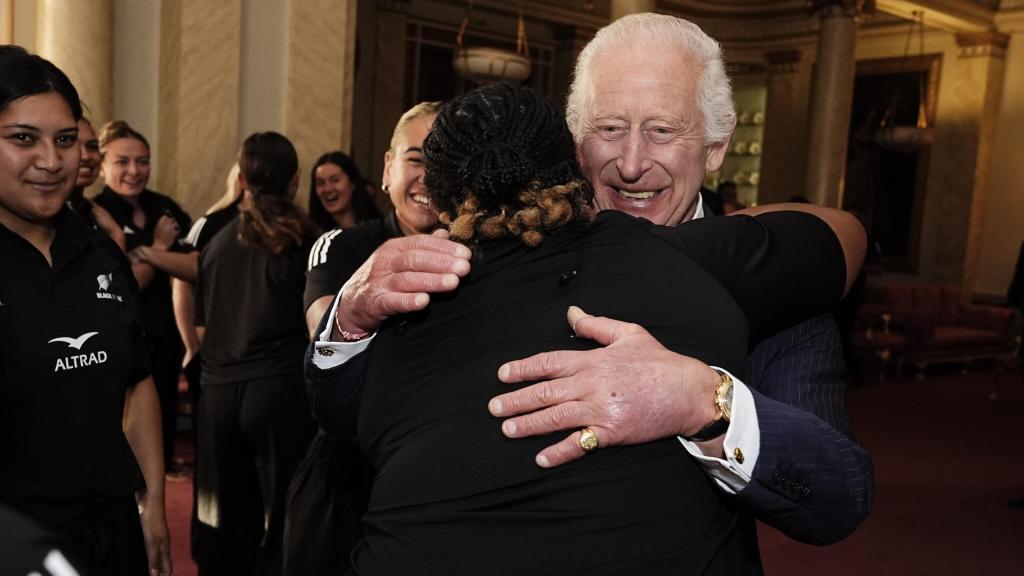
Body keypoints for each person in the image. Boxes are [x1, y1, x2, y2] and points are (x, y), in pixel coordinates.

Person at [309, 13, 873, 566]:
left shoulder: (777, 287)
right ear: (574, 143)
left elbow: (838, 496)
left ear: (718, 146)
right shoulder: (477, 264)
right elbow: (349, 417)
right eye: (609, 129)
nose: (631, 164)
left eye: (663, 130)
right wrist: (348, 317)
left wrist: (707, 403)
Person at [0, 44, 170, 576]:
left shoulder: (99, 251)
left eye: (66, 139)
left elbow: (137, 384)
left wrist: (155, 504)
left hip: (110, 528)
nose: (52, 162)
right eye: (22, 139)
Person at [283, 101, 441, 576]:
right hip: (347, 474)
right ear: (388, 167)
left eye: (446, 160)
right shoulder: (342, 247)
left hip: (438, 481)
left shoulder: (487, 258)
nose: (429, 176)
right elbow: (327, 345)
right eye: (416, 159)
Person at [194, 131, 318, 575]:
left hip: (218, 396)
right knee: (285, 515)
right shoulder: (305, 239)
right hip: (278, 389)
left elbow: (206, 320)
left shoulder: (217, 245)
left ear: (242, 178)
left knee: (224, 516)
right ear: (296, 180)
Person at [93, 120, 196, 477]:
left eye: (142, 161)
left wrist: (145, 255)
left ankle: (162, 467)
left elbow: (197, 265)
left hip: (163, 330)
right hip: (118, 334)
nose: (134, 171)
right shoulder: (96, 214)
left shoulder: (164, 208)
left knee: (164, 403)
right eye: (122, 162)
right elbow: (122, 286)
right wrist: (162, 249)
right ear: (102, 164)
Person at [66, 116, 125, 250]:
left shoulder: (88, 209)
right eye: (70, 143)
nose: (86, 156)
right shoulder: (43, 217)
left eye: (92, 146)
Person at [307, 150, 382, 232]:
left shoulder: (379, 231)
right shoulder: (310, 235)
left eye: (335, 180)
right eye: (321, 183)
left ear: (353, 183)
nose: (327, 189)